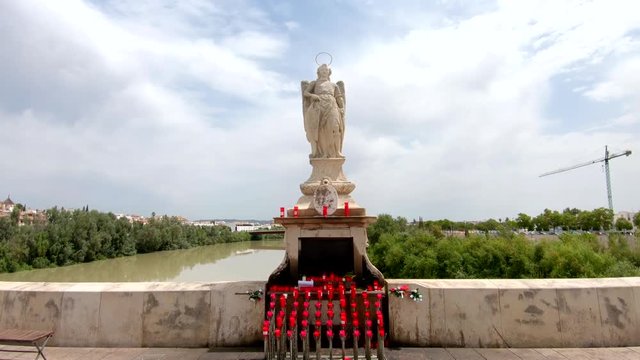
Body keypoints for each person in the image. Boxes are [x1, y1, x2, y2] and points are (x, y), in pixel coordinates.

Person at [302, 64, 345, 158]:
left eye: (326, 70)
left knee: (335, 128)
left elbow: (339, 97)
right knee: (322, 130)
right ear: (319, 72)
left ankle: (337, 151)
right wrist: (312, 95)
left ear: (329, 72)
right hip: (318, 105)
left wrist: (342, 108)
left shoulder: (334, 85)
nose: (324, 72)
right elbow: (305, 93)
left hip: (332, 105)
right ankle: (324, 153)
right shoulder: (314, 83)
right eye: (322, 70)